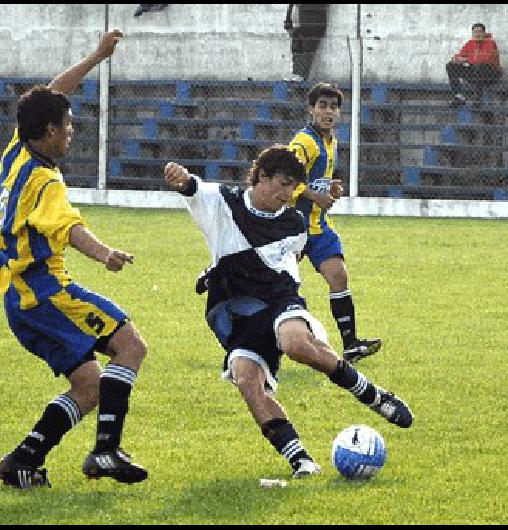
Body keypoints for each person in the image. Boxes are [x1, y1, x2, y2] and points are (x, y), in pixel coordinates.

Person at [164, 147, 413, 478]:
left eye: (293, 187)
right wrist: (180, 179)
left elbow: (277, 266)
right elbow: (194, 188)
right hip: (239, 310)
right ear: (262, 176)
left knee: (295, 343)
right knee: (246, 378)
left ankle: (370, 394)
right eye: (282, 184)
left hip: (279, 298)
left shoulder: (295, 224)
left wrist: (218, 268)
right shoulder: (223, 201)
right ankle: (301, 461)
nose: (287, 194)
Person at [0, 29, 150, 490]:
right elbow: (68, 228)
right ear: (49, 132)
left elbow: (51, 94)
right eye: (68, 125)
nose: (72, 132)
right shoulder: (44, 180)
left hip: (17, 298)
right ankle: (105, 452)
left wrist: (96, 57)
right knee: (131, 346)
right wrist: (105, 255)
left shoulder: (14, 153)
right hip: (44, 293)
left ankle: (22, 461)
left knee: (91, 387)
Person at [288, 82, 381, 363]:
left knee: (338, 277)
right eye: (322, 106)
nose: (328, 111)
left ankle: (351, 345)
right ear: (311, 109)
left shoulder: (330, 140)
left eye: (333, 107)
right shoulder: (303, 142)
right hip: (292, 226)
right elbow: (285, 178)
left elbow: (315, 181)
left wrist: (330, 190)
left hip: (318, 227)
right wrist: (316, 195)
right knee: (277, 285)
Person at [446, 23, 502, 107]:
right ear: (472, 33)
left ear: (484, 33)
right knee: (450, 66)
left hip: (491, 74)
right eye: (475, 32)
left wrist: (466, 59)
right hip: (475, 72)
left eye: (480, 32)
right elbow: (459, 56)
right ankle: (459, 96)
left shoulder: (490, 43)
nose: (477, 34)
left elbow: (484, 59)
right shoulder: (470, 43)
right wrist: (456, 60)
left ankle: (477, 97)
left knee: (479, 66)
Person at [284, 4, 329, 82]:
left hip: (312, 25)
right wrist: (288, 24)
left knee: (307, 50)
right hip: (296, 26)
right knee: (296, 50)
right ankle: (295, 73)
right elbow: (291, 7)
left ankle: (302, 75)